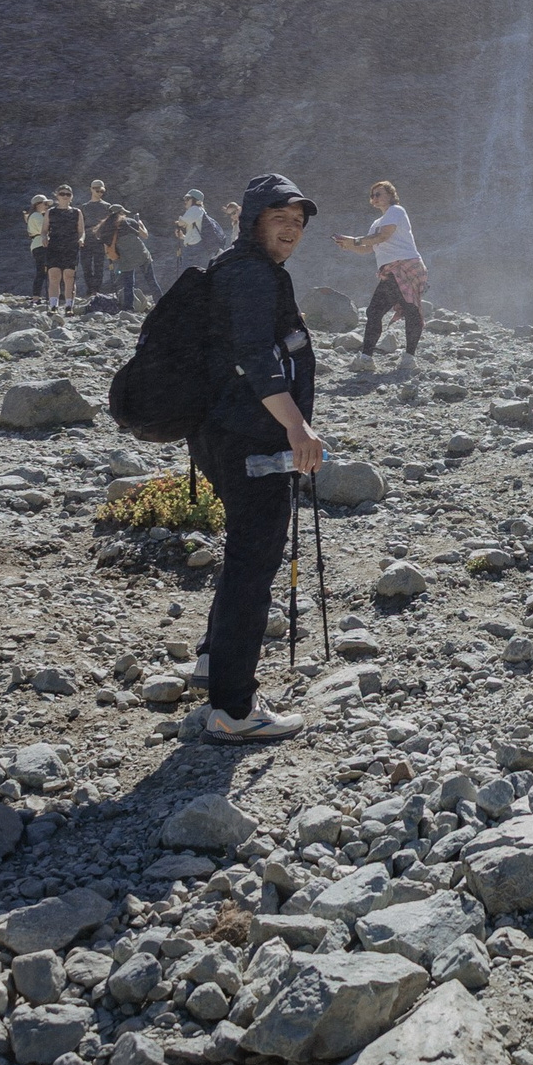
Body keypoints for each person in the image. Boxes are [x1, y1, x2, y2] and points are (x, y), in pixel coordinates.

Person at [184, 173, 325, 745]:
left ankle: (215, 662)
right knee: (254, 560)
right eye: (279, 219)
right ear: (252, 222)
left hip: (225, 432)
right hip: (251, 439)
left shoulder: (237, 268)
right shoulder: (249, 274)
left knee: (244, 549)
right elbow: (253, 358)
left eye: (298, 221)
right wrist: (298, 426)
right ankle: (233, 709)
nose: (291, 229)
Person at [337, 180, 428, 366]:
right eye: (372, 195)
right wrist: (350, 246)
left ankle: (370, 358)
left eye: (378, 194)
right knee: (401, 310)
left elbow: (384, 236)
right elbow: (368, 248)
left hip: (403, 266)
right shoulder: (376, 223)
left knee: (389, 311)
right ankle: (402, 358)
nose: (375, 198)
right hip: (392, 270)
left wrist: (354, 241)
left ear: (390, 195)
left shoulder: (396, 211)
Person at [42, 185, 84, 310]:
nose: (65, 196)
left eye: (68, 194)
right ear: (57, 196)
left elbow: (81, 231)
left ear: (71, 197)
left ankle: (69, 306)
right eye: (62, 194)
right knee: (54, 275)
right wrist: (44, 238)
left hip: (71, 246)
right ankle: (53, 305)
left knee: (69, 275)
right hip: (54, 246)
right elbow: (44, 230)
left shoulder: (77, 212)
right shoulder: (51, 212)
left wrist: (81, 239)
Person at [106, 208, 154, 310]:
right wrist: (140, 224)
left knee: (128, 284)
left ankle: (128, 308)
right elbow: (145, 235)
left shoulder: (107, 227)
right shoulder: (130, 222)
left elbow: (107, 246)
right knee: (151, 281)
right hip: (141, 255)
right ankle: (160, 302)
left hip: (124, 258)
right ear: (121, 213)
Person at [79, 180, 118, 297]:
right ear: (91, 189)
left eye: (102, 190)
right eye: (97, 189)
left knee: (98, 266)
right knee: (86, 265)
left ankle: (95, 290)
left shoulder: (107, 207)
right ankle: (91, 289)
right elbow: (80, 225)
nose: (99, 192)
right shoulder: (83, 207)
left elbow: (111, 225)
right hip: (86, 238)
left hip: (101, 239)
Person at [173, 190, 221, 280]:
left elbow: (181, 222)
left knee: (186, 275)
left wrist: (177, 223)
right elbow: (195, 234)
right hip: (200, 247)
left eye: (188, 199)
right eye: (185, 199)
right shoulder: (201, 211)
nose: (185, 201)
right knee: (200, 274)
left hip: (195, 249)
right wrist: (183, 237)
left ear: (195, 201)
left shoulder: (195, 209)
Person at [22, 194, 50, 303]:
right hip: (41, 245)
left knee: (41, 271)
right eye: (45, 203)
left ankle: (37, 296)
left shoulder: (33, 216)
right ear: (38, 204)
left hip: (37, 245)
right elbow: (43, 230)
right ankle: (37, 297)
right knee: (43, 271)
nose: (47, 205)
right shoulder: (37, 216)